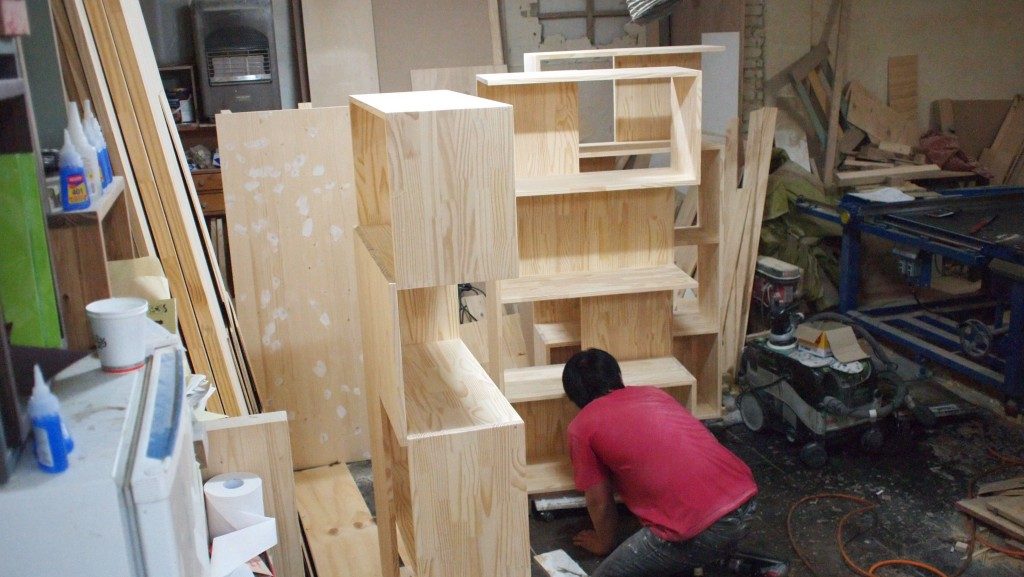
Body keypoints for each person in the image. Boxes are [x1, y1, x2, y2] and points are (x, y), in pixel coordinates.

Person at [562, 348, 788, 577]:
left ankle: (711, 557)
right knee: (697, 544)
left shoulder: (581, 427)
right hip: (746, 500)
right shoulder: (652, 394)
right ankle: (741, 565)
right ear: (617, 377)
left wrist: (603, 543)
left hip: (704, 529)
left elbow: (598, 501)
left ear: (575, 396)